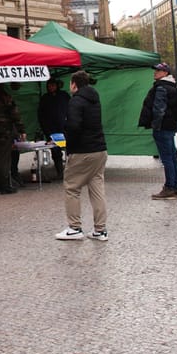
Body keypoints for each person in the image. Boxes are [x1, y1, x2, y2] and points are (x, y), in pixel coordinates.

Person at [55, 70, 108, 240]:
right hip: (99, 149)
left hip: (82, 151)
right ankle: (100, 230)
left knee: (72, 187)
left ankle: (74, 228)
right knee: (97, 189)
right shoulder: (95, 99)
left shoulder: (75, 101)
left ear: (74, 84)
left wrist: (69, 143)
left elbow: (74, 126)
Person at [138, 63, 177, 199]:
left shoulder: (161, 87)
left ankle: (170, 187)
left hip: (163, 127)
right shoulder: (172, 86)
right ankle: (176, 186)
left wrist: (155, 125)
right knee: (172, 157)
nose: (155, 72)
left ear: (165, 73)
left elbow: (159, 109)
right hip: (171, 125)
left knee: (167, 158)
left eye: (158, 70)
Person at [37, 78, 70, 179]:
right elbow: (41, 115)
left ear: (57, 85)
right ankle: (60, 172)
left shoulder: (64, 96)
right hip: (51, 131)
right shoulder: (45, 98)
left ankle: (72, 172)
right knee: (56, 151)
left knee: (70, 150)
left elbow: (72, 109)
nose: (51, 87)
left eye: (53, 85)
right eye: (49, 86)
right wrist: (46, 129)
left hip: (65, 129)